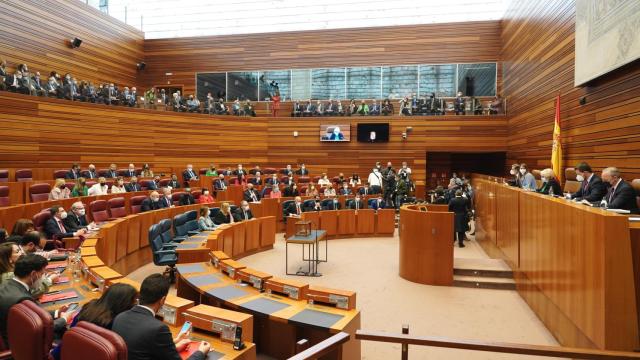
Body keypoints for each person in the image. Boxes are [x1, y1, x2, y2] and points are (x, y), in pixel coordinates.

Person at [112, 274, 211, 360]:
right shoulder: (158, 329)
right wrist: (201, 352)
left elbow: (142, 349)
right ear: (162, 300)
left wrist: (174, 344)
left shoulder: (120, 317)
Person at [51, 283, 138, 360]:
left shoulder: (89, 307)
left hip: (62, 353)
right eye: (134, 302)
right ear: (126, 303)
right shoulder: (117, 322)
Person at [0, 254, 72, 346]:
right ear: (33, 274)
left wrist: (57, 312)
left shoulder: (8, 284)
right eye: (42, 274)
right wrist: (64, 319)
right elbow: (39, 329)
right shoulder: (23, 300)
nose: (43, 278)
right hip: (18, 345)